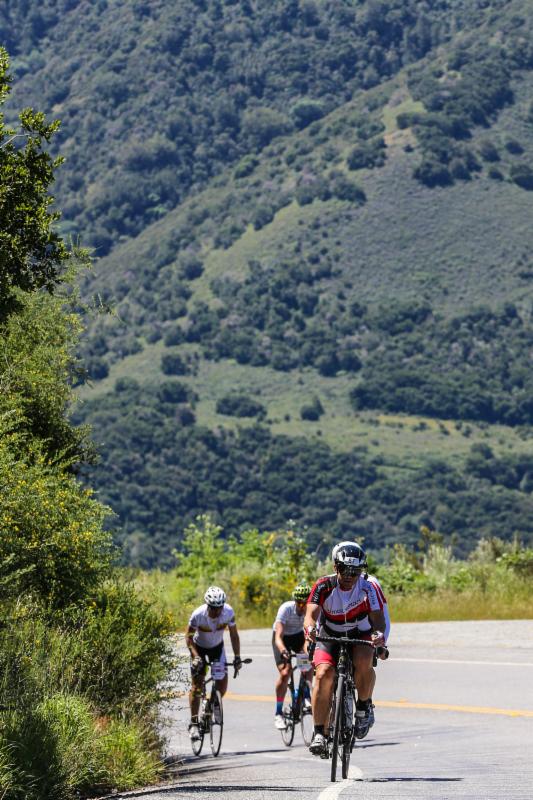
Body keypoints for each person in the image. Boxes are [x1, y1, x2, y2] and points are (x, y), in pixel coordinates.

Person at [303, 541, 388, 756]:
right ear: (335, 568)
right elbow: (310, 615)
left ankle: (363, 706)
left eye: (355, 571)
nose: (350, 576)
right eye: (344, 570)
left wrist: (378, 637)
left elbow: (378, 621)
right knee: (322, 675)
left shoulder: (369, 587)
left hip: (359, 632)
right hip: (330, 633)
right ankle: (320, 733)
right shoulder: (323, 586)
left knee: (363, 661)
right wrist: (311, 629)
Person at [186, 585, 241, 741]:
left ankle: (211, 705)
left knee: (222, 685)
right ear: (207, 605)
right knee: (197, 686)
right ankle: (194, 723)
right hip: (199, 649)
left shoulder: (228, 612)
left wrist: (237, 657)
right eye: (213, 608)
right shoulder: (198, 615)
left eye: (219, 607)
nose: (217, 611)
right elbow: (188, 638)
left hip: (217, 649)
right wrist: (195, 657)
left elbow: (234, 635)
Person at [272, 583, 313, 730]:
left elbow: (309, 636)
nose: (302, 607)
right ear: (295, 601)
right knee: (285, 672)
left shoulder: (311, 610)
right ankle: (278, 713)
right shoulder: (286, 609)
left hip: (298, 637)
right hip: (283, 639)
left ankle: (306, 696)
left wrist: (307, 652)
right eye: (300, 603)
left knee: (307, 663)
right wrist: (283, 650)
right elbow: (278, 637)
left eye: (305, 603)